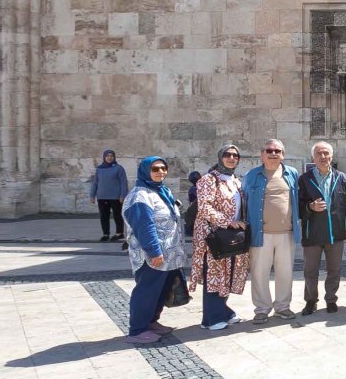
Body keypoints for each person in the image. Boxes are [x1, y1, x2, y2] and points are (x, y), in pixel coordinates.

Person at [120, 156, 187, 344]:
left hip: (169, 254)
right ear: (146, 171)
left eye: (163, 168)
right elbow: (144, 225)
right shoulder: (140, 195)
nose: (160, 172)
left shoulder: (161, 191)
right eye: (155, 169)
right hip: (152, 256)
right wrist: (154, 251)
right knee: (147, 291)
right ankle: (137, 329)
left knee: (160, 291)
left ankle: (151, 321)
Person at [241, 139, 301, 324]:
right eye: (269, 150)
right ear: (262, 154)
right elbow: (243, 200)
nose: (273, 153)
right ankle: (262, 308)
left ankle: (283, 307)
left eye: (277, 150)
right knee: (259, 273)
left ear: (283, 154)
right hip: (261, 234)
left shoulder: (292, 173)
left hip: (286, 233)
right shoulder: (251, 175)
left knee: (285, 272)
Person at [188, 145, 248, 331]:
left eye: (235, 155)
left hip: (231, 236)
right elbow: (204, 207)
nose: (231, 158)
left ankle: (223, 310)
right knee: (214, 274)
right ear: (220, 157)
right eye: (227, 155)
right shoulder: (209, 180)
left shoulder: (236, 181)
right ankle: (211, 318)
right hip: (213, 234)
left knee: (227, 273)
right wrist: (227, 221)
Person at [297, 141, 346, 316]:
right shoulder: (305, 179)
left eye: (326, 153)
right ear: (313, 157)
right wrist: (310, 207)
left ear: (331, 156)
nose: (323, 157)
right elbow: (297, 206)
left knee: (334, 269)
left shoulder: (341, 178)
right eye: (319, 154)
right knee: (310, 270)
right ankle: (310, 301)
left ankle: (331, 299)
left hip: (335, 233)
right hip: (312, 232)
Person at [89, 149, 129, 243]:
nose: (109, 158)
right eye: (107, 156)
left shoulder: (119, 168)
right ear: (104, 157)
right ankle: (105, 234)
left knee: (117, 215)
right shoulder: (99, 169)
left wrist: (123, 195)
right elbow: (95, 183)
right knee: (104, 216)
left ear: (114, 157)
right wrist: (92, 195)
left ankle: (119, 233)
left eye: (111, 156)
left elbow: (123, 183)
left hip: (116, 197)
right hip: (102, 196)